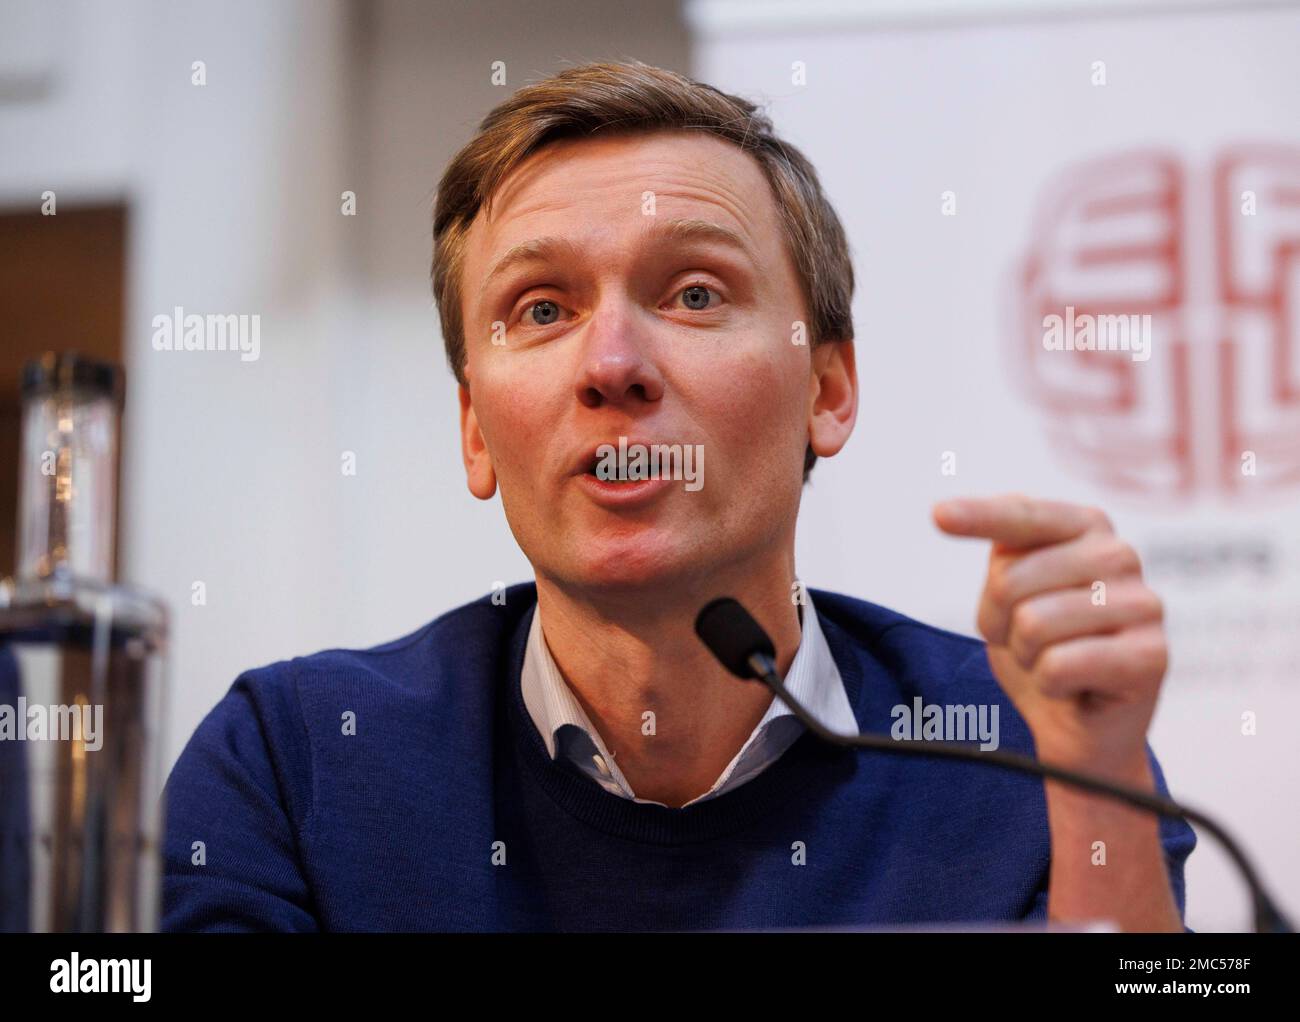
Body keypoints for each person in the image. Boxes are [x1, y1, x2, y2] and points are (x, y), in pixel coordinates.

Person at [161, 60, 1194, 932]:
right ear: (475, 429)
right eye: (541, 307)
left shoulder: (1019, 745)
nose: (611, 363)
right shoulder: (295, 763)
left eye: (694, 293)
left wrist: (1092, 772)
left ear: (826, 392)